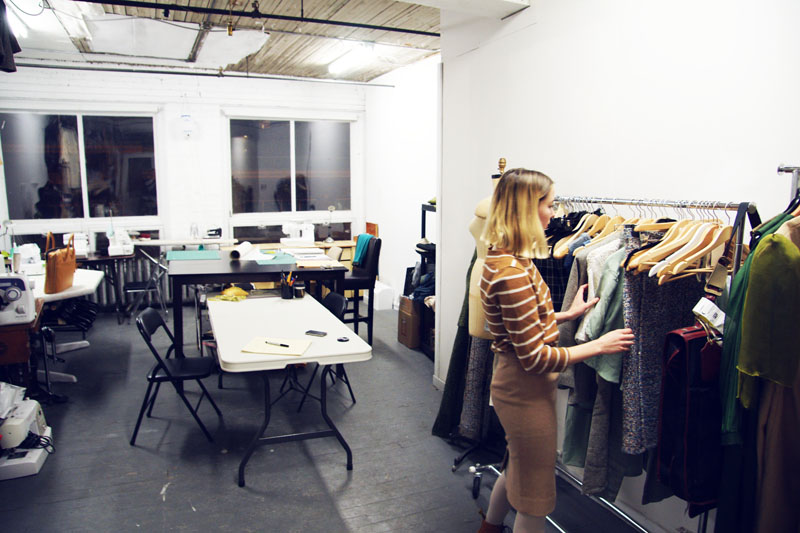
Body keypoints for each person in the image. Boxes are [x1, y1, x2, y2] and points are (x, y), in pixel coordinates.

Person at [477, 168, 635, 533]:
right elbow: (535, 357)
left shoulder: (509, 259)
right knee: (535, 496)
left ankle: (489, 527)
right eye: (549, 204)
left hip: (520, 386)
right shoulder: (512, 272)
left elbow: (521, 322)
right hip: (524, 391)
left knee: (517, 469)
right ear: (526, 208)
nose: (554, 212)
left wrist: (567, 314)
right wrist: (598, 345)